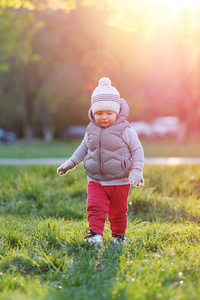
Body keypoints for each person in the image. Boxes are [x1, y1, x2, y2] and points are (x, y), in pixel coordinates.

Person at [57, 77, 144, 245]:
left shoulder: (125, 130)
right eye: (99, 113)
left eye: (109, 113)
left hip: (120, 181)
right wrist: (71, 162)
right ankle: (95, 235)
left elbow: (137, 150)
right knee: (95, 208)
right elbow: (84, 147)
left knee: (118, 212)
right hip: (96, 180)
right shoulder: (91, 130)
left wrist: (137, 170)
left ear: (117, 111)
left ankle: (118, 236)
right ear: (92, 112)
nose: (104, 117)